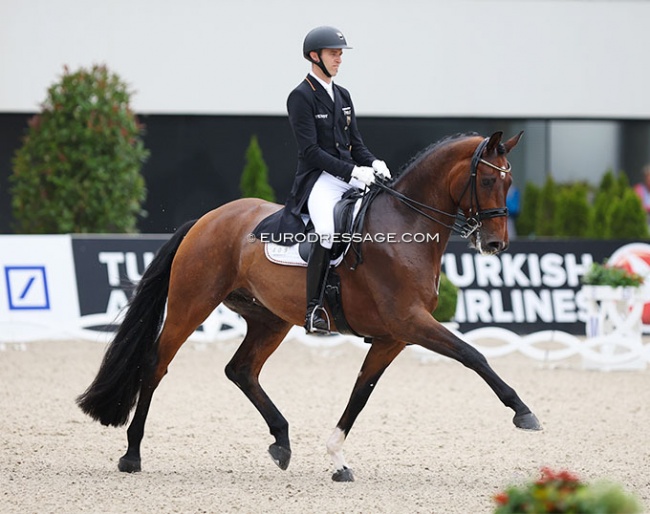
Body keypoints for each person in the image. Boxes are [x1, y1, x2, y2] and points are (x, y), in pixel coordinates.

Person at [255, 26, 391, 333]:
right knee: (327, 231)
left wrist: (373, 162)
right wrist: (353, 172)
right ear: (314, 56)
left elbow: (356, 143)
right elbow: (311, 151)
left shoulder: (343, 95)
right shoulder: (301, 97)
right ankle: (314, 308)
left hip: (350, 176)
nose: (339, 59)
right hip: (320, 179)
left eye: (340, 54)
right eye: (333, 53)